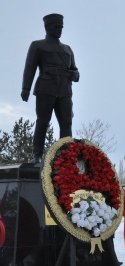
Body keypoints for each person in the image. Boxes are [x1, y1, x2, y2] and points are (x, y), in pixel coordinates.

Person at [21, 13, 80, 164]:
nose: (60, 29)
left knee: (66, 123)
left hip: (65, 90)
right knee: (43, 121)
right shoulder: (38, 46)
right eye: (57, 27)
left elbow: (76, 71)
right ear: (48, 27)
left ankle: (66, 156)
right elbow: (30, 68)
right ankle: (37, 155)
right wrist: (26, 88)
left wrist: (74, 75)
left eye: (61, 27)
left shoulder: (67, 49)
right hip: (46, 88)